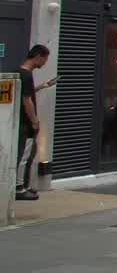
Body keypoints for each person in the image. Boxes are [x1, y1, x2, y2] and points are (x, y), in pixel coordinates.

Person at [16, 45, 53, 201]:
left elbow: (26, 93)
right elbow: (26, 100)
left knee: (27, 154)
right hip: (26, 123)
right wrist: (34, 121)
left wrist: (42, 86)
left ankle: (23, 184)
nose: (45, 63)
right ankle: (19, 187)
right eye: (45, 59)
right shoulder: (26, 75)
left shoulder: (19, 73)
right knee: (24, 155)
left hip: (21, 122)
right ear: (38, 56)